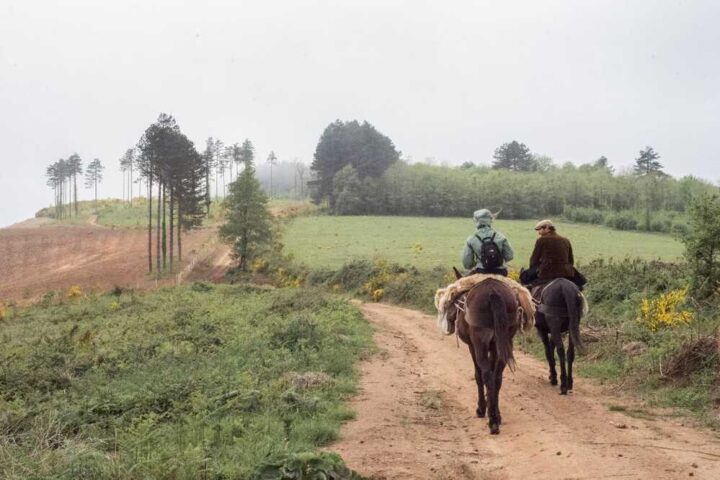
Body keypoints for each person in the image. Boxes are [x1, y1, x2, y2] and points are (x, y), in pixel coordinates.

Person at [528, 219, 583, 287]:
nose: (539, 233)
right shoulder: (566, 240)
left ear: (547, 228)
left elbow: (534, 260)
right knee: (580, 285)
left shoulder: (541, 240)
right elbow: (571, 260)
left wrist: (532, 271)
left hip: (547, 273)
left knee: (527, 282)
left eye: (540, 230)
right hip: (566, 274)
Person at [462, 209, 514, 276]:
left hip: (481, 272)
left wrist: (478, 263)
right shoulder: (501, 237)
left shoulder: (471, 239)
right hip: (500, 273)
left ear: (476, 221)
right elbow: (509, 256)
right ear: (490, 220)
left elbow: (467, 264)